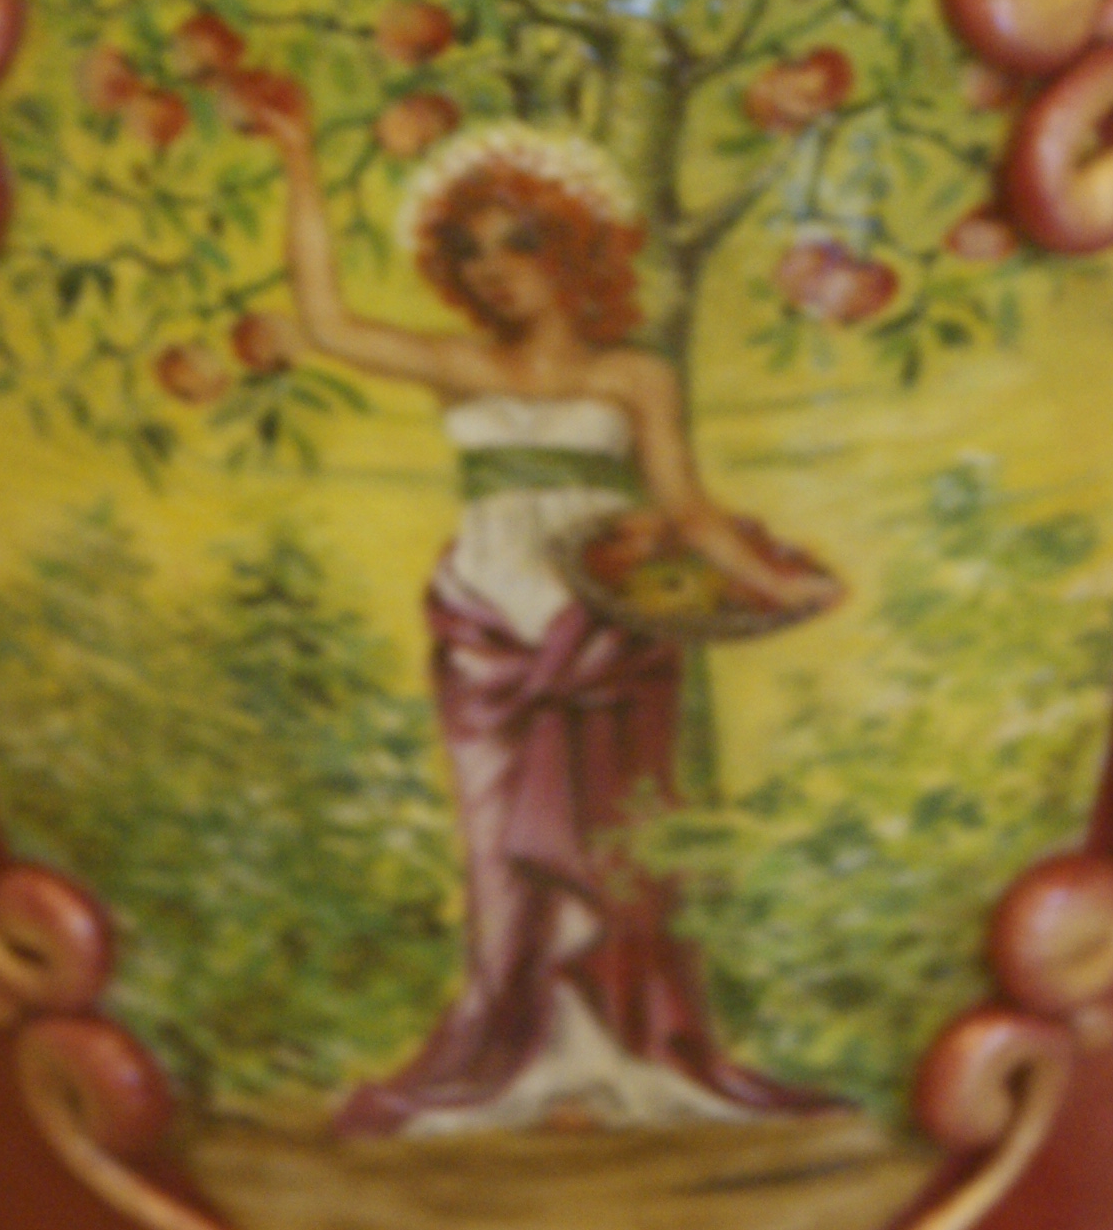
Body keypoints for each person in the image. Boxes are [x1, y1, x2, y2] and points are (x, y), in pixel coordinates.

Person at [236, 96, 838, 1138]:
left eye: (519, 242)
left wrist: (777, 585)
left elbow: (686, 510)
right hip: (485, 634)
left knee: (613, 848)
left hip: (600, 634)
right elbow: (327, 322)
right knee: (498, 859)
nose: (493, 270)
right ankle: (516, 1057)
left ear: (574, 248)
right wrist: (297, 160)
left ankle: (620, 1056)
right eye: (469, 251)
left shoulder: (632, 376)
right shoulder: (459, 365)